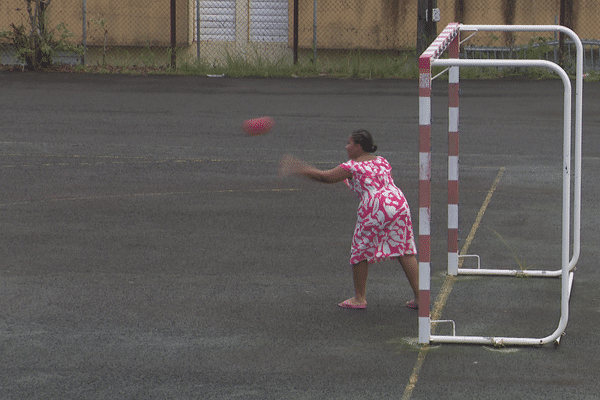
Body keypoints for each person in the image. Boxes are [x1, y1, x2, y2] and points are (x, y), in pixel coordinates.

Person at [279, 129, 420, 310]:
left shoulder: (351, 167)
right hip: (399, 202)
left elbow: (326, 177)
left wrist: (300, 169)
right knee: (404, 249)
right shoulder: (382, 161)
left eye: (349, 143)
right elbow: (374, 182)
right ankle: (420, 297)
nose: (346, 147)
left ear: (358, 147)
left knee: (360, 249)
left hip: (375, 207)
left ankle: (359, 298)